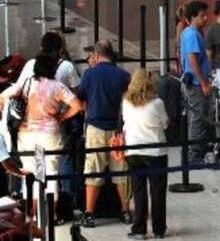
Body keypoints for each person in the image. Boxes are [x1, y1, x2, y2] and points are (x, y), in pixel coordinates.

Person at [0, 52, 82, 214]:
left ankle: (36, 215)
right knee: (50, 176)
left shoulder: (26, 83)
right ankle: (52, 216)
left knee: (35, 176)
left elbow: (3, 96)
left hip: (28, 136)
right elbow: (77, 106)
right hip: (50, 136)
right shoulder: (57, 86)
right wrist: (60, 117)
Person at [77, 40, 131, 228]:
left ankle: (89, 213)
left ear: (98, 55)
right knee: (121, 172)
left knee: (93, 171)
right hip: (119, 131)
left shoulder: (89, 74)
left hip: (95, 129)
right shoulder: (123, 75)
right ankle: (125, 212)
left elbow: (81, 99)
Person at [123, 69, 169, 240]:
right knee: (157, 191)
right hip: (155, 151)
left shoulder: (126, 102)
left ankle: (139, 229)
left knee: (138, 191)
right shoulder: (157, 103)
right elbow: (165, 123)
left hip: (133, 150)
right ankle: (158, 230)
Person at [180, 0, 212, 162]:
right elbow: (192, 60)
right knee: (198, 117)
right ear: (192, 17)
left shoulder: (191, 32)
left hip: (196, 82)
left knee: (197, 117)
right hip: (196, 84)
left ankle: (197, 149)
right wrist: (204, 82)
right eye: (202, 16)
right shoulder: (192, 34)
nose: (205, 18)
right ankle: (195, 154)